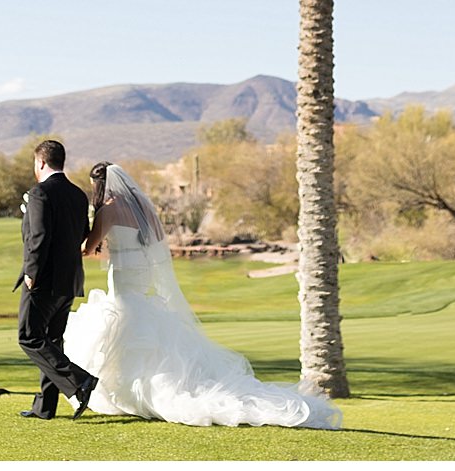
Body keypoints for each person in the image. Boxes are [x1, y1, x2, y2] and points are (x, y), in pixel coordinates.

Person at [64, 161, 341, 429]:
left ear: (101, 186)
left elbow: (89, 248)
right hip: (141, 272)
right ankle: (131, 388)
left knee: (126, 325)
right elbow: (158, 244)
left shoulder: (109, 210)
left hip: (123, 276)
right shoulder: (143, 209)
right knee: (139, 323)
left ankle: (129, 392)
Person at [14, 138, 99, 420]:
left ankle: (79, 381)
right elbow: (82, 234)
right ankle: (45, 406)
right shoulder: (78, 195)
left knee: (29, 337)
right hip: (69, 279)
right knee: (51, 340)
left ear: (40, 162)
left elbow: (37, 237)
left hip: (43, 280)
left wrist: (31, 272)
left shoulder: (39, 194)